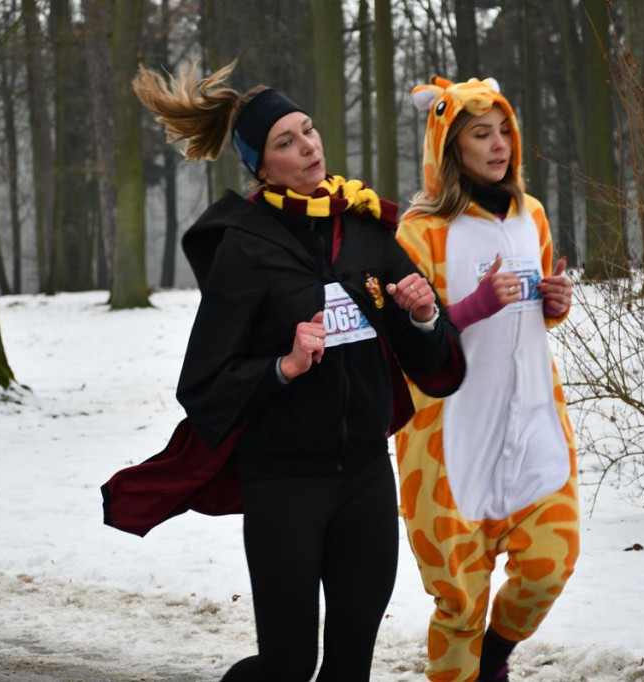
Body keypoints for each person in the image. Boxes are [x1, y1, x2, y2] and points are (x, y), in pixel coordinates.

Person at [103, 61, 465, 681]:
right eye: (286, 141)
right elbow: (204, 385)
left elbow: (435, 365)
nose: (308, 147)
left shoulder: (364, 230)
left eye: (309, 131)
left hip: (365, 478)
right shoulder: (245, 247)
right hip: (284, 485)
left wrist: (427, 316)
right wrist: (282, 367)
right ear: (261, 166)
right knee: (289, 666)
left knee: (351, 665)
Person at [393, 76, 580, 682]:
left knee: (552, 561)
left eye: (504, 131)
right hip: (450, 438)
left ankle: (493, 656)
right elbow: (407, 340)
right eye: (481, 134)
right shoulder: (419, 231)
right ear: (450, 146)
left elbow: (538, 316)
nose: (499, 145)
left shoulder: (532, 215)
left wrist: (554, 302)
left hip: (531, 421)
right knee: (460, 601)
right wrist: (474, 304)